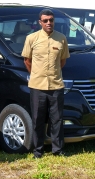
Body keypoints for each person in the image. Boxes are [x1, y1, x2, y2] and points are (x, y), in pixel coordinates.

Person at [22, 9, 70, 157]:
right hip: (37, 86)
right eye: (45, 20)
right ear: (40, 22)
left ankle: (57, 150)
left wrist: (52, 74)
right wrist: (36, 74)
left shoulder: (61, 38)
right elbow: (27, 60)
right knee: (37, 119)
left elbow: (62, 61)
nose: (49, 23)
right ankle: (37, 150)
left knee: (57, 119)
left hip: (56, 85)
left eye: (51, 20)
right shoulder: (31, 38)